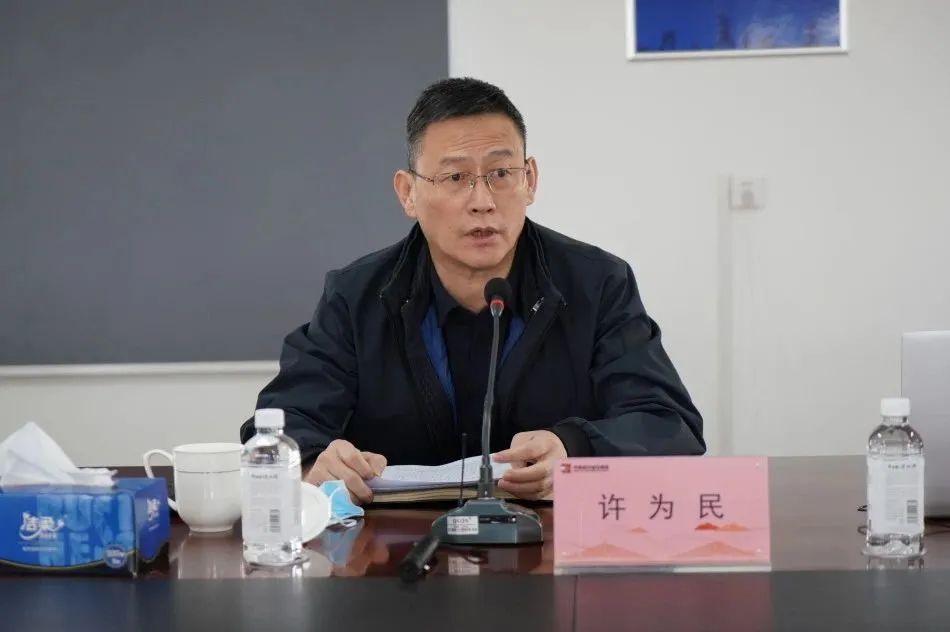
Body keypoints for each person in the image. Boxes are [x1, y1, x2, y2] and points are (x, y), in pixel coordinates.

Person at [240, 77, 704, 504]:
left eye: (501, 173)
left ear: (530, 180)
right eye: (455, 177)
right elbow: (279, 427)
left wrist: (574, 447)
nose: (482, 202)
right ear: (408, 193)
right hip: (395, 549)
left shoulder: (596, 283)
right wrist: (313, 461)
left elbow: (669, 425)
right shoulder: (356, 295)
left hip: (550, 546)